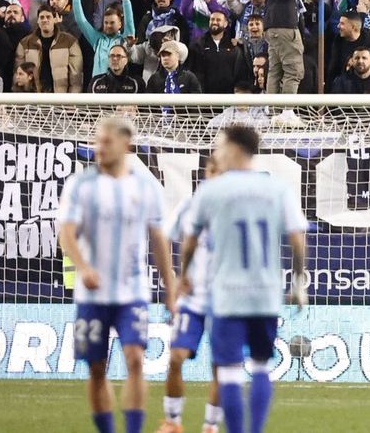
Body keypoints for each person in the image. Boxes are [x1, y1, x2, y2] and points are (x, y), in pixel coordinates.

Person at [180, 124, 308, 433]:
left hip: (226, 294)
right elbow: (297, 238)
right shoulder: (276, 189)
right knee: (262, 366)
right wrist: (298, 280)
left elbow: (191, 240)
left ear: (235, 149)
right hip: (265, 294)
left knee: (229, 373)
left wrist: (184, 275)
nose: (216, 153)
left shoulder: (211, 190)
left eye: (220, 147)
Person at [58, 113, 178, 433]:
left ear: (126, 144)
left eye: (106, 142)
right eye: (97, 141)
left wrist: (171, 286)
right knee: (97, 368)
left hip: (132, 291)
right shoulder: (80, 184)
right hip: (92, 293)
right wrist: (83, 267)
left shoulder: (145, 187)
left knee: (136, 359)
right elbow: (66, 233)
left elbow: (158, 239)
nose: (100, 147)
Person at [162, 156, 225, 433]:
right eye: (212, 170)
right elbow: (164, 236)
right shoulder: (189, 206)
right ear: (206, 173)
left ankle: (210, 426)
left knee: (220, 367)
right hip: (193, 300)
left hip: (225, 301)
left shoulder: (238, 210)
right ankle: (173, 422)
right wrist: (175, 278)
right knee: (176, 357)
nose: (215, 176)